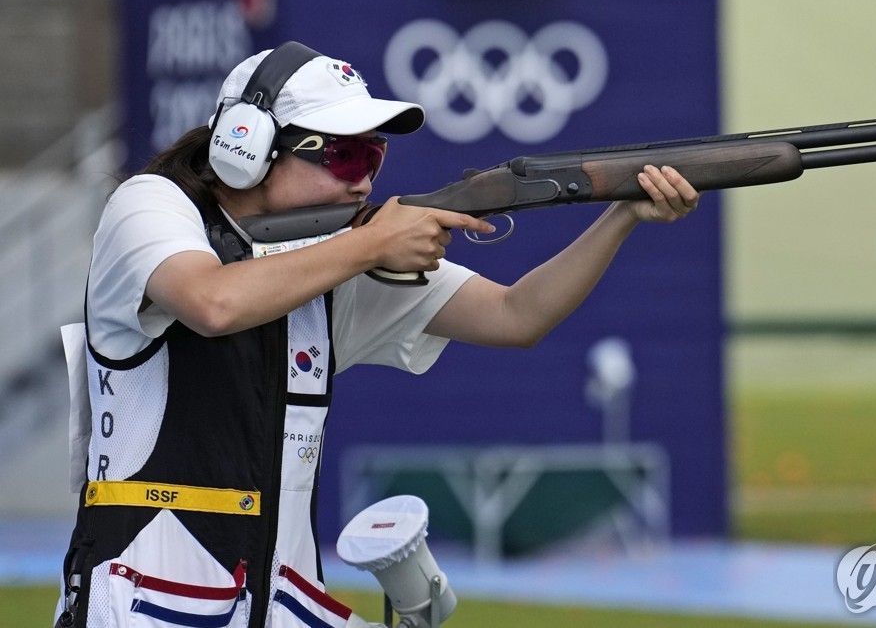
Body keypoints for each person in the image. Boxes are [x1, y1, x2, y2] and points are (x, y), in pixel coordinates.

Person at [54, 42, 699, 628]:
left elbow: (516, 315)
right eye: (342, 153)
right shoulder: (148, 206)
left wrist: (622, 216)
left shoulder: (338, 253)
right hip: (138, 606)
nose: (363, 177)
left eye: (374, 154)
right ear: (248, 145)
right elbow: (211, 302)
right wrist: (368, 245)